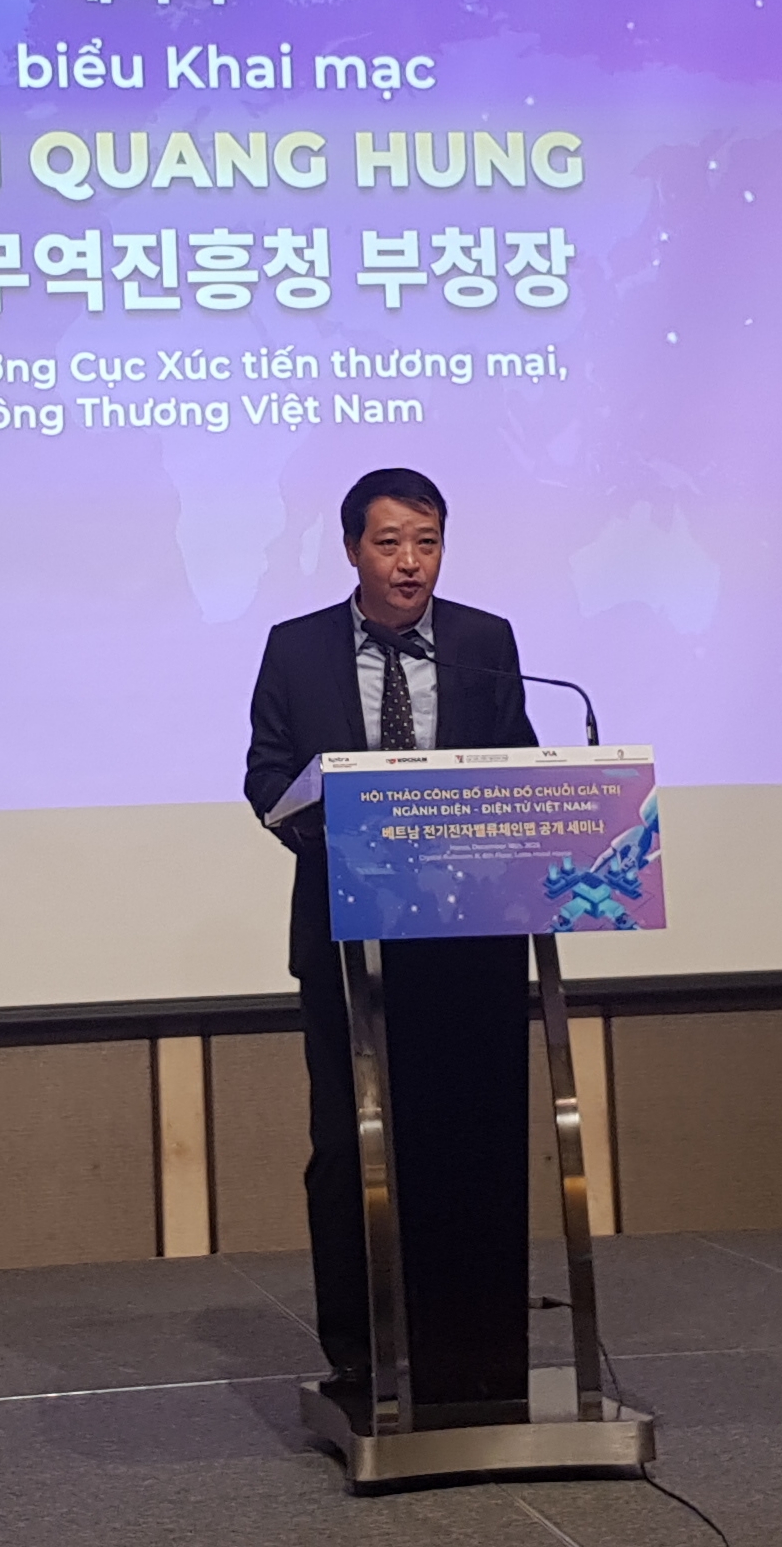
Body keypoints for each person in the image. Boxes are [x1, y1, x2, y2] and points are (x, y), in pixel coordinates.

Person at [242, 466, 538, 1416]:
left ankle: (474, 1352)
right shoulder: (296, 649)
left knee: (468, 1142)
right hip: (346, 937)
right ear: (351, 550)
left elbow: (520, 766)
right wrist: (338, 833)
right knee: (349, 1146)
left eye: (427, 542)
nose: (410, 563)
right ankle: (358, 1354)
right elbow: (265, 775)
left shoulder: (485, 642)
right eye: (389, 543)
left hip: (466, 944)